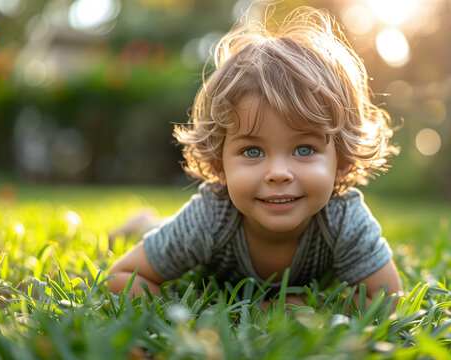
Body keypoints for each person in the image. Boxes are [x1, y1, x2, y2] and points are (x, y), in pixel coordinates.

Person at [107, 6, 402, 307]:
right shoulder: (209, 219)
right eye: (252, 151)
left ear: (341, 161)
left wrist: (305, 308)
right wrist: (201, 315)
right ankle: (143, 223)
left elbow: (387, 298)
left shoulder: (342, 220)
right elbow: (121, 277)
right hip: (187, 230)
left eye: (304, 149)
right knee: (158, 231)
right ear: (220, 165)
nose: (278, 172)